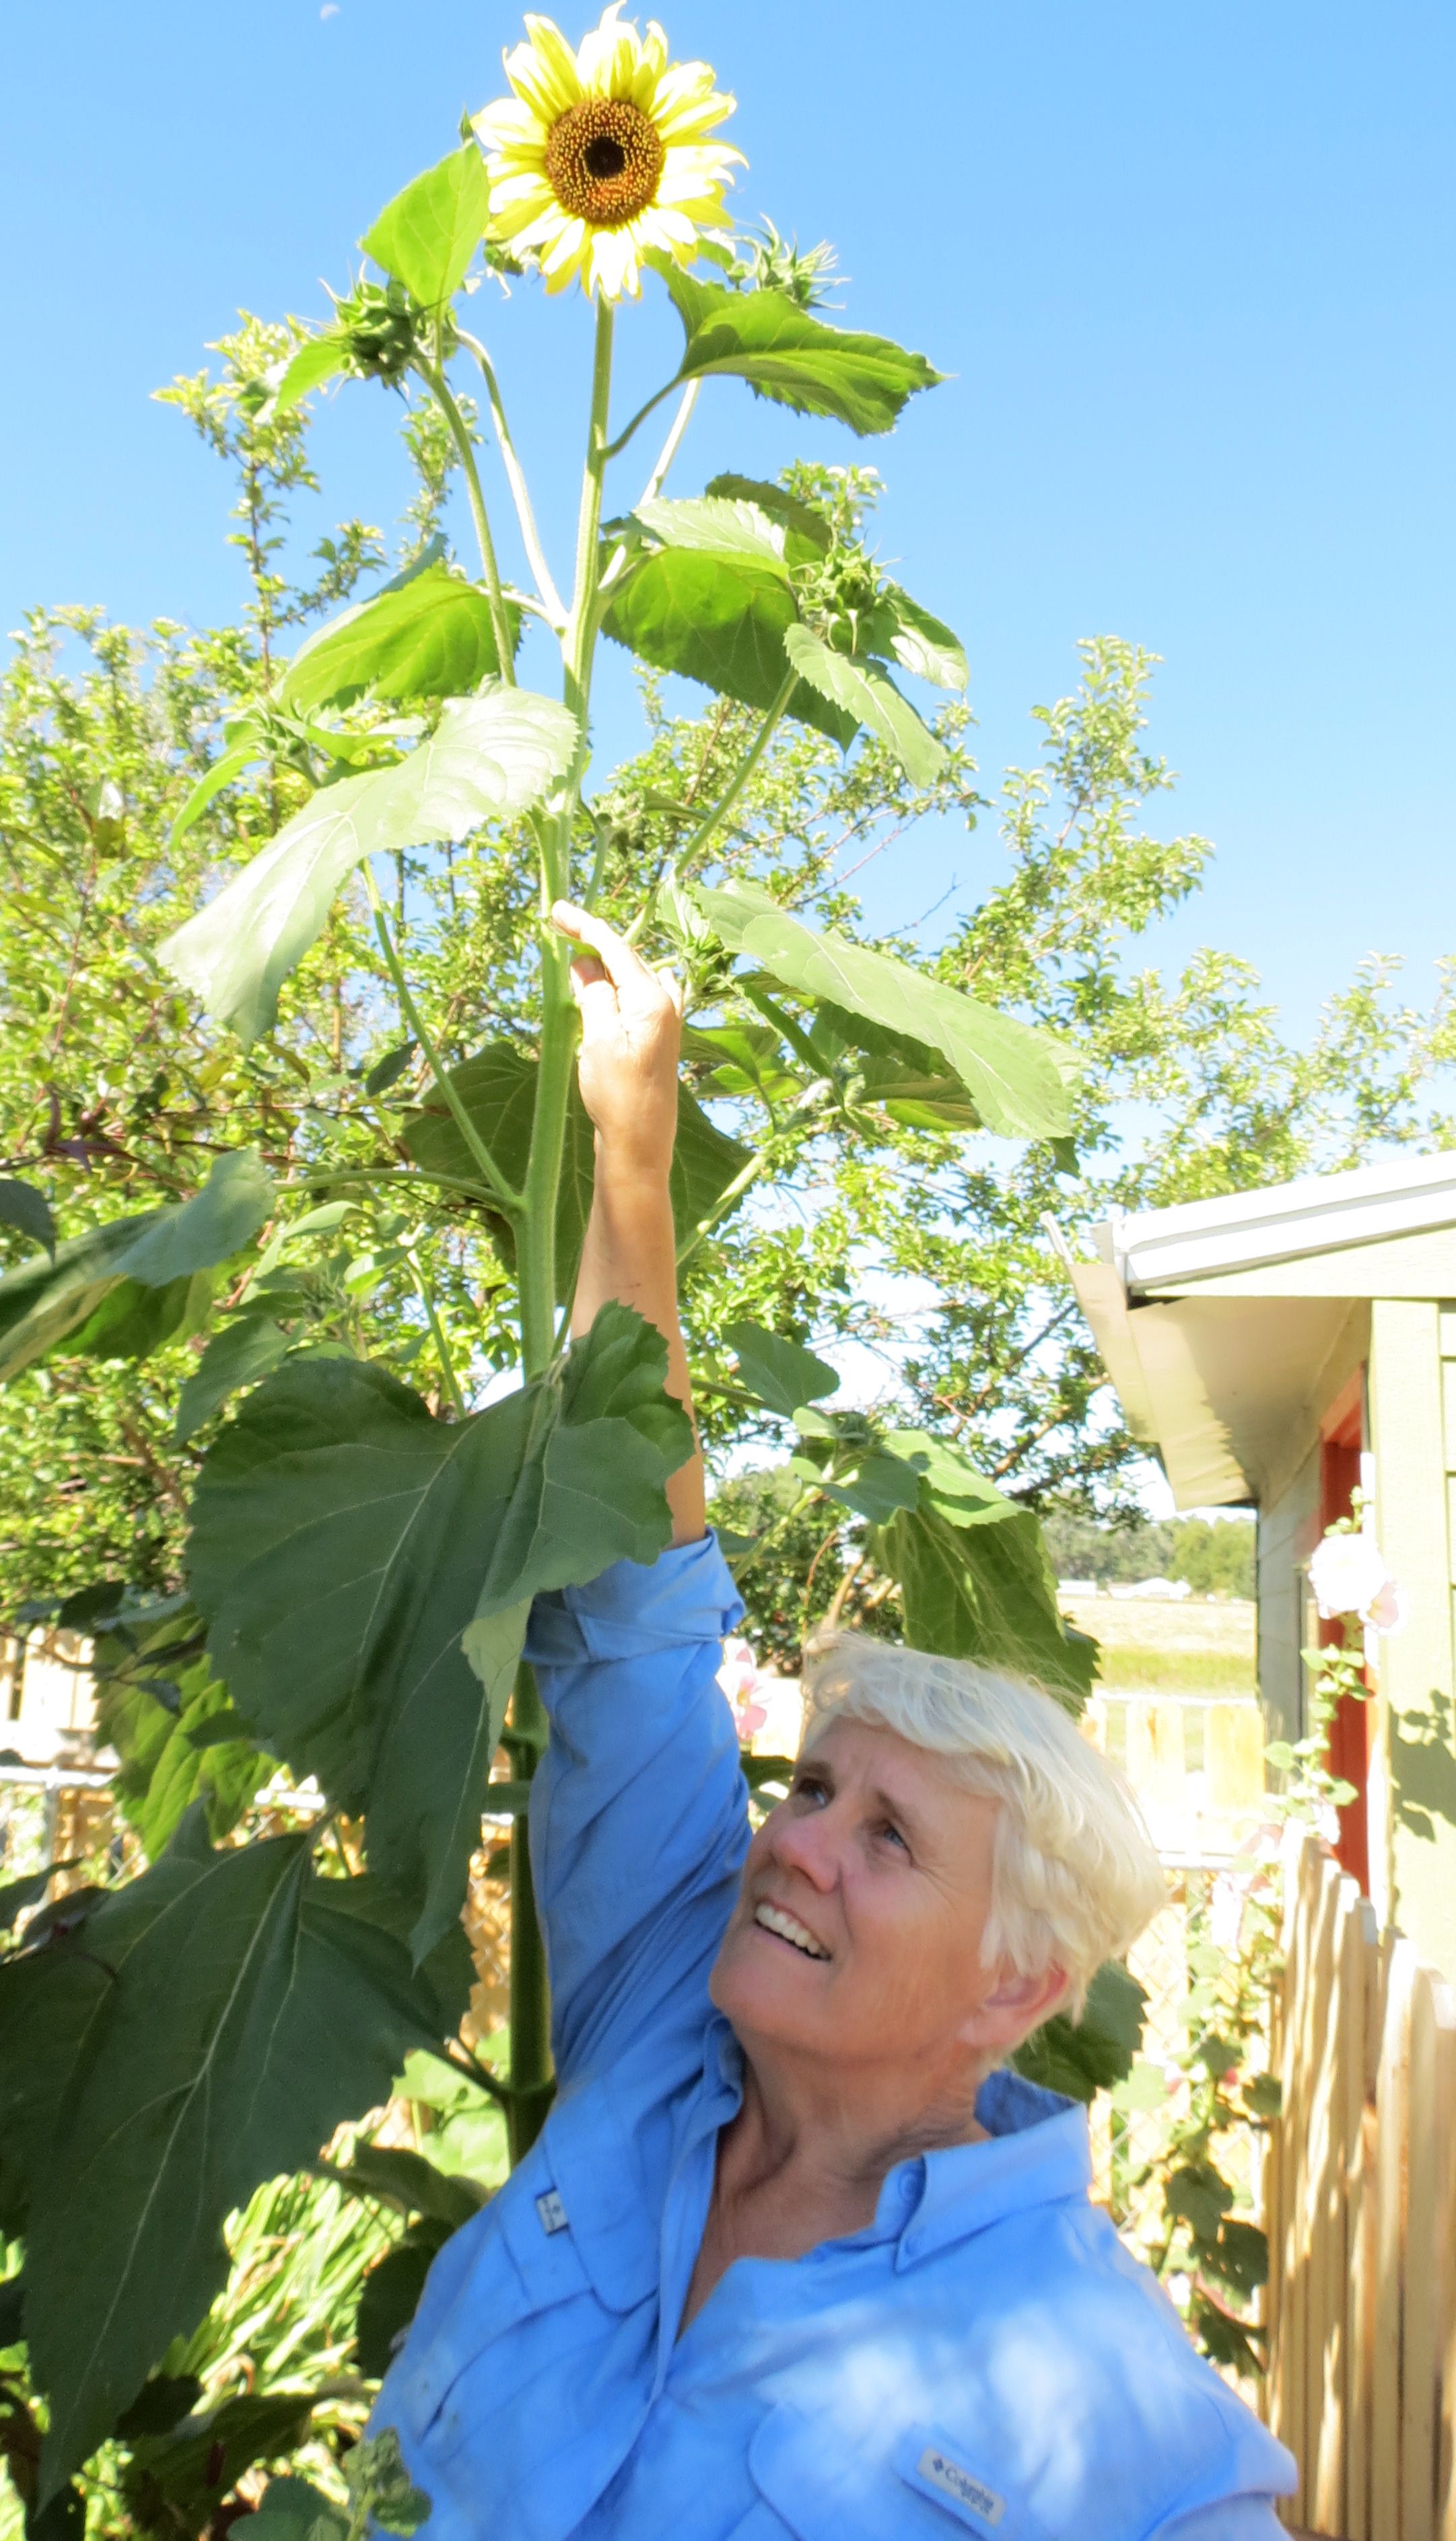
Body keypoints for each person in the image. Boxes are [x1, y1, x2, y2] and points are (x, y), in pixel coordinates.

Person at [374, 905, 1296, 2540]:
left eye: (886, 1836)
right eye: (811, 1783)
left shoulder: (1120, 2434)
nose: (789, 1838)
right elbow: (641, 1604)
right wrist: (630, 1170)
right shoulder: (666, 2018)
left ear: (1015, 1984)